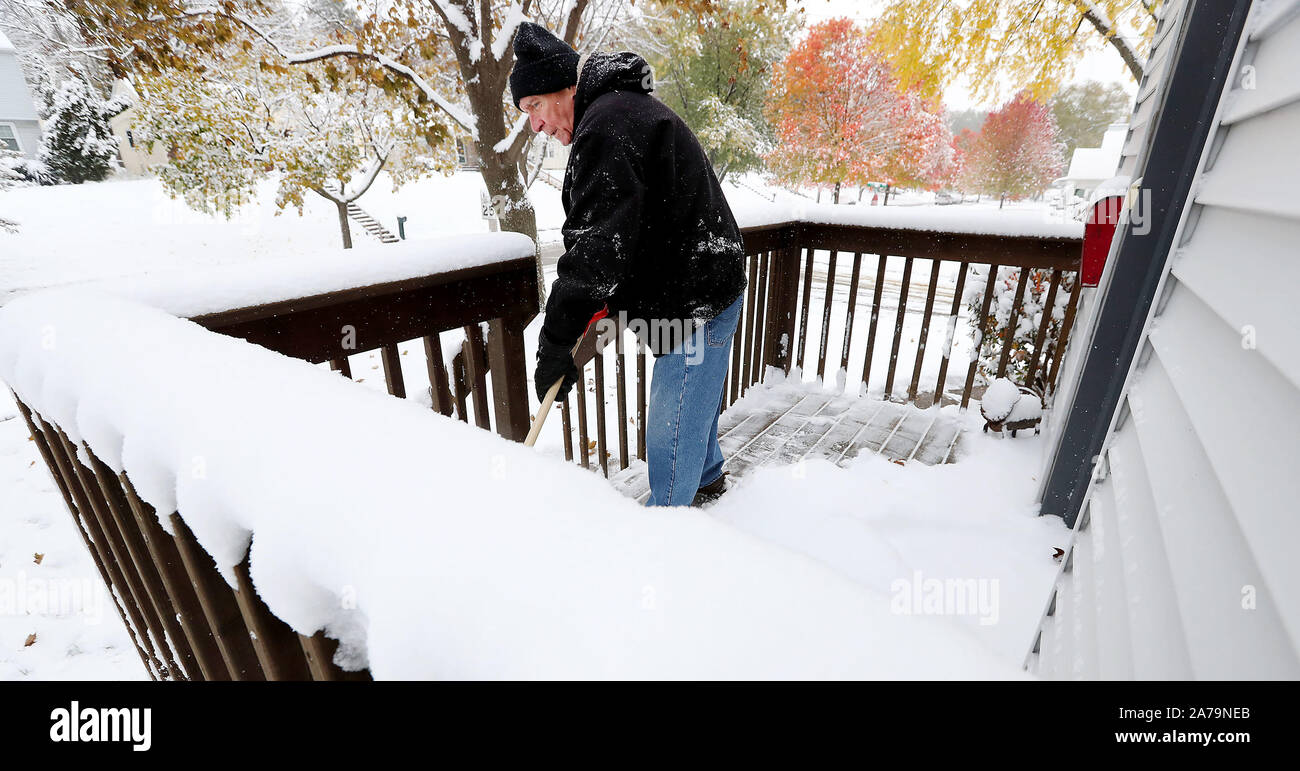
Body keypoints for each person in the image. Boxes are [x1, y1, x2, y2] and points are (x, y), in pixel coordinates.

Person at [510, 21, 747, 507]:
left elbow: (596, 253)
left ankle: (666, 530)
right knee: (690, 401)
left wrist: (554, 342)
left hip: (696, 299)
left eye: (535, 106)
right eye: (526, 112)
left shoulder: (608, 127)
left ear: (566, 88)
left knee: (670, 427)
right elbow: (623, 236)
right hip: (697, 284)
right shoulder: (616, 114)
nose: (534, 125)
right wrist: (580, 331)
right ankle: (709, 481)